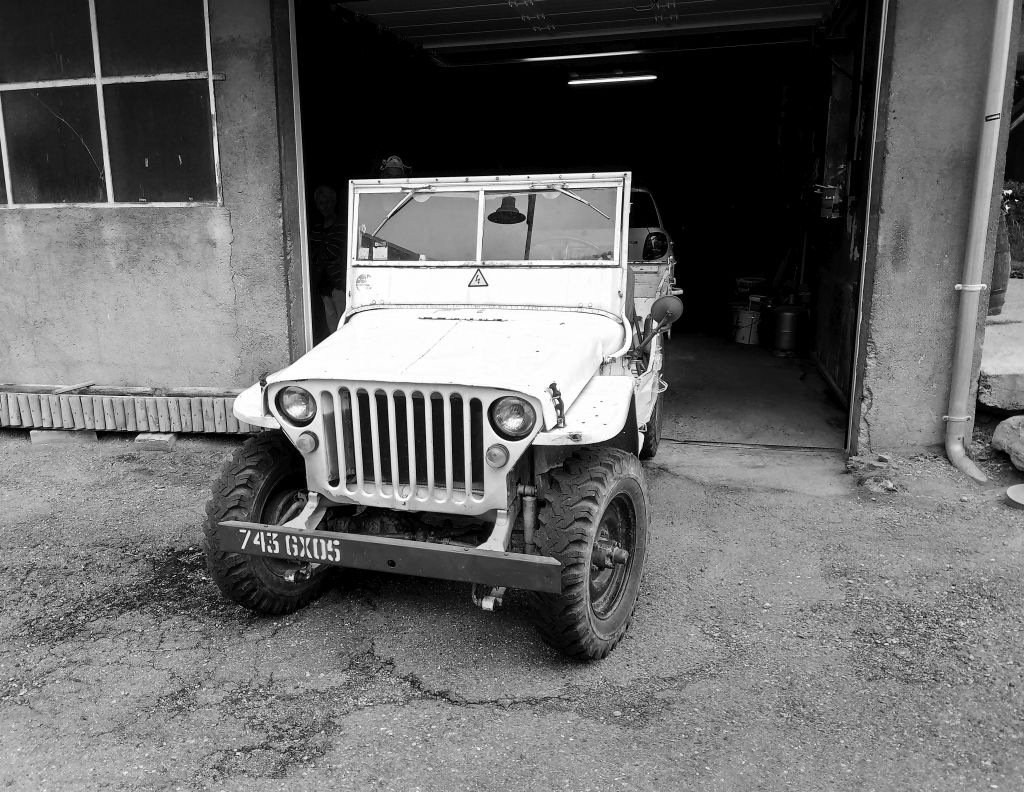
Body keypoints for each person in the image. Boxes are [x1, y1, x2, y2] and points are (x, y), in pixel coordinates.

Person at [309, 184, 346, 340]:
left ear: (333, 202)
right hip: (323, 284)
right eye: (321, 203)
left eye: (328, 202)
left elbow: (333, 252)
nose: (325, 206)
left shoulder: (341, 225)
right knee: (332, 326)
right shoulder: (316, 228)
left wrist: (321, 254)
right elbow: (313, 255)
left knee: (343, 325)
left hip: (338, 283)